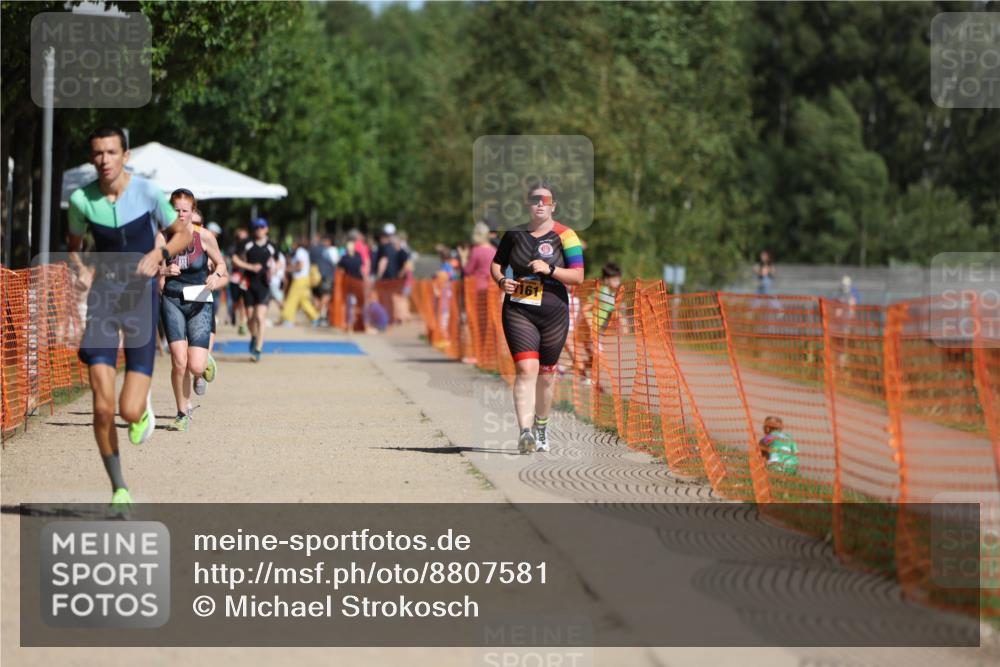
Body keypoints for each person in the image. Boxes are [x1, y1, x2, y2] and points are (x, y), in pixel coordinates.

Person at [66, 126, 191, 510]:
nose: (104, 159)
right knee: (102, 407)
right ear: (92, 158)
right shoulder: (81, 200)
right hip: (104, 299)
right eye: (97, 153)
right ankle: (119, 488)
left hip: (140, 301)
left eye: (111, 152)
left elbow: (182, 234)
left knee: (127, 410)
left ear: (126, 155)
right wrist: (81, 269)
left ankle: (141, 413)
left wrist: (159, 255)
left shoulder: (148, 194)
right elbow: (74, 248)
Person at [491, 183, 585, 454]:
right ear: (527, 204)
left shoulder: (566, 235)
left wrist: (551, 268)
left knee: (546, 374)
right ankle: (525, 432)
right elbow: (497, 263)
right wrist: (501, 280)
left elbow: (578, 276)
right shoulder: (514, 234)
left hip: (553, 312)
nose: (540, 204)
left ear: (553, 206)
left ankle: (541, 426)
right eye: (535, 199)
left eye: (546, 200)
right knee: (525, 370)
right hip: (518, 309)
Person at [156, 190, 227, 431]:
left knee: (196, 367)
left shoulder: (204, 237)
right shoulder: (162, 238)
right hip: (172, 300)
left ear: (192, 211)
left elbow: (221, 264)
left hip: (200, 301)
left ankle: (204, 365)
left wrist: (216, 277)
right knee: (179, 361)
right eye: (176, 210)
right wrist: (163, 272)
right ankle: (181, 412)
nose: (181, 215)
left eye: (185, 210)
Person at [232, 218, 278, 362]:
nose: (259, 229)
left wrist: (274, 269)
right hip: (249, 284)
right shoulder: (247, 243)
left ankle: (258, 347)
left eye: (262, 227)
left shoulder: (272, 246)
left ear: (267, 229)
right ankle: (253, 336)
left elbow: (278, 261)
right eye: (256, 227)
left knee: (260, 316)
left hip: (263, 284)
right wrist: (249, 267)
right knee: (251, 318)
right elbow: (234, 259)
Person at [462, 222, 497, 362]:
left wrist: (464, 258)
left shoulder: (476, 251)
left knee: (477, 322)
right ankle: (491, 355)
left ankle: (480, 354)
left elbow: (467, 270)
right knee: (491, 322)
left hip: (477, 290)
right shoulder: (494, 250)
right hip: (492, 289)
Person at [281, 237, 321, 326]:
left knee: (292, 298)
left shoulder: (299, 252)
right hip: (305, 279)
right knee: (304, 300)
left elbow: (300, 266)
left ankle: (288, 319)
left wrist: (289, 269)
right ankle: (315, 317)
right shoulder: (303, 252)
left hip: (300, 279)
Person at [226, 227, 249, 333]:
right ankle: (233, 314)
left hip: (246, 277)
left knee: (243, 301)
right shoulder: (232, 249)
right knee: (236, 301)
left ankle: (242, 323)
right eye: (241, 238)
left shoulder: (249, 248)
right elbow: (233, 262)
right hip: (235, 276)